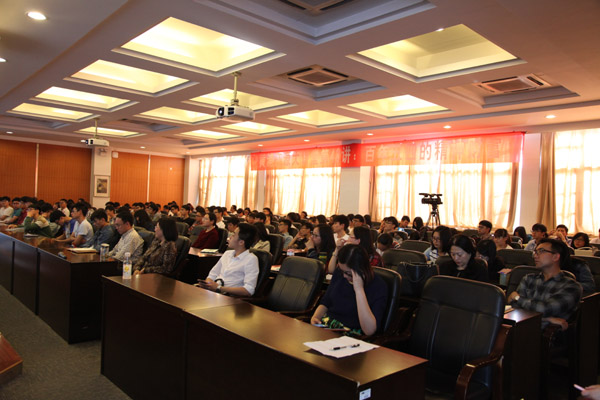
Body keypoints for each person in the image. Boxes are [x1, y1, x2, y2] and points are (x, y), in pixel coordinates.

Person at [311, 244, 388, 336]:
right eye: (342, 271)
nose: (344, 276)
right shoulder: (339, 273)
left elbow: (369, 330)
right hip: (328, 327)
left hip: (352, 334)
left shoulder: (378, 286)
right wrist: (316, 317)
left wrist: (359, 290)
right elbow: (326, 302)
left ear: (362, 269)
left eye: (348, 273)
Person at [507, 238, 582, 330]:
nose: (535, 255)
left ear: (555, 257)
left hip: (547, 335)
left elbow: (546, 309)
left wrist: (517, 298)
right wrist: (547, 319)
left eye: (541, 251)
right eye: (535, 252)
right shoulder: (529, 279)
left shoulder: (571, 286)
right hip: (521, 330)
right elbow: (515, 309)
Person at [197, 223, 259, 297]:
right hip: (214, 293)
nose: (230, 237)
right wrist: (208, 285)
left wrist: (219, 288)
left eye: (233, 235)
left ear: (241, 242)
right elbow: (212, 274)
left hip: (229, 297)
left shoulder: (251, 259)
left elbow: (249, 290)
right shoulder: (227, 253)